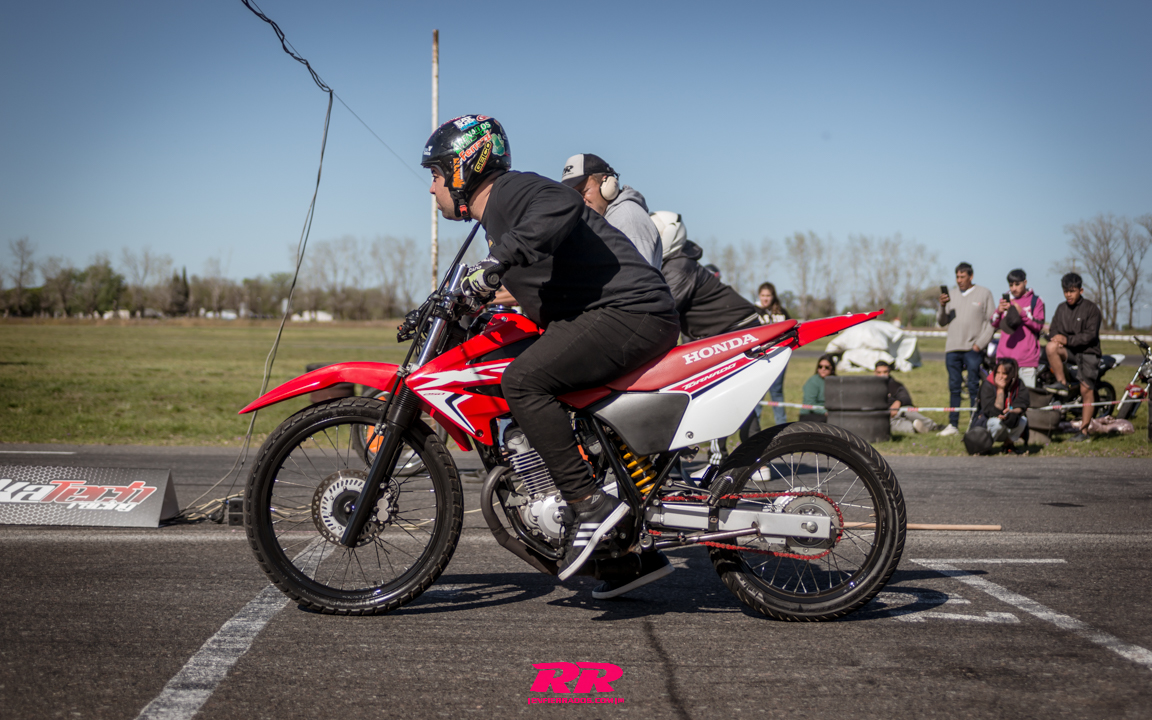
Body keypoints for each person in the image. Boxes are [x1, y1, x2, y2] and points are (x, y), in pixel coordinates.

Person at [422, 115, 680, 593]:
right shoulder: (497, 221)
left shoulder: (512, 192)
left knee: (524, 381)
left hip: (630, 313)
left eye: (436, 174)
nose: (432, 188)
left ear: (463, 167)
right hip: (612, 314)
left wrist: (498, 261)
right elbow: (534, 276)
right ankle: (624, 558)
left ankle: (589, 504)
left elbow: (562, 204)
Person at [651, 211, 774, 446]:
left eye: (655, 235)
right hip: (730, 330)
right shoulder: (674, 264)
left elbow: (662, 310)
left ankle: (735, 458)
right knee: (732, 399)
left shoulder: (678, 268)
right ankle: (753, 456)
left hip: (735, 330)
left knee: (722, 396)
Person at [560, 153, 662, 267]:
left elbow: (638, 275)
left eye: (583, 192)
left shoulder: (627, 219)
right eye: (574, 195)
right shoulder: (603, 220)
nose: (579, 200)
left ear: (606, 185)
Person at [937, 262, 996, 437]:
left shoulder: (984, 293)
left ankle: (974, 423)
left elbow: (993, 322)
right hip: (952, 348)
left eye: (962, 277)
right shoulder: (951, 295)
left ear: (971, 276)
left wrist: (979, 344)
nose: (959, 280)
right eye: (957, 277)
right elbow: (941, 322)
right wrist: (942, 306)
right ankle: (953, 425)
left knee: (973, 386)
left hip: (973, 349)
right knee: (954, 386)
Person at [1044, 272, 1103, 443]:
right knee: (1051, 347)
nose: (1068, 295)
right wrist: (1055, 338)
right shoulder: (1061, 308)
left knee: (1086, 390)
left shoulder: (1091, 309)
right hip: (1069, 352)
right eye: (1065, 291)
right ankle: (1062, 384)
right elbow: (1054, 330)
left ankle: (1084, 432)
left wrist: (1067, 340)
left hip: (1088, 352)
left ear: (1080, 290)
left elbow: (1090, 336)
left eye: (1072, 291)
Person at [991, 268, 1045, 388]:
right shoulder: (1005, 300)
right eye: (1011, 285)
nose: (1014, 288)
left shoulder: (1036, 301)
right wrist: (999, 311)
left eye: (1017, 284)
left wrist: (1022, 313)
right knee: (1004, 395)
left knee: (1026, 396)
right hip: (1005, 359)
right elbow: (993, 323)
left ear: (1025, 283)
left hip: (1027, 360)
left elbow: (1039, 325)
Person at [755, 282, 791, 426]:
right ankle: (753, 429)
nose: (765, 298)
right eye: (763, 295)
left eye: (768, 295)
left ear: (773, 296)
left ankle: (781, 427)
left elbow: (791, 329)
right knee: (758, 392)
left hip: (779, 355)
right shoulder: (754, 311)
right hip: (760, 358)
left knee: (777, 392)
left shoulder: (781, 312)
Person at [976, 357, 1030, 452]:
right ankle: (985, 446)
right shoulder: (987, 384)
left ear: (1012, 375)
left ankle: (1008, 445)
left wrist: (1012, 411)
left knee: (1022, 421)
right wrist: (1000, 389)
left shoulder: (1018, 384)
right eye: (998, 372)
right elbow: (990, 410)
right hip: (989, 424)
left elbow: (1023, 403)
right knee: (997, 424)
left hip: (1009, 422)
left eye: (1004, 373)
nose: (1000, 376)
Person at [874, 361, 939, 434]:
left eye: (885, 372)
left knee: (908, 411)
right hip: (886, 418)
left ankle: (934, 427)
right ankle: (915, 428)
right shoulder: (871, 387)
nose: (882, 375)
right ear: (875, 372)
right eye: (879, 372)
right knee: (890, 425)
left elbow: (905, 397)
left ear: (889, 371)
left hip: (900, 411)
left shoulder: (896, 385)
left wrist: (898, 402)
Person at [801, 354, 836, 419]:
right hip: (810, 415)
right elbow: (810, 404)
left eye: (826, 367)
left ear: (832, 368)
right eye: (820, 367)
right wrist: (825, 412)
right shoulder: (813, 382)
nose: (823, 369)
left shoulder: (835, 381)